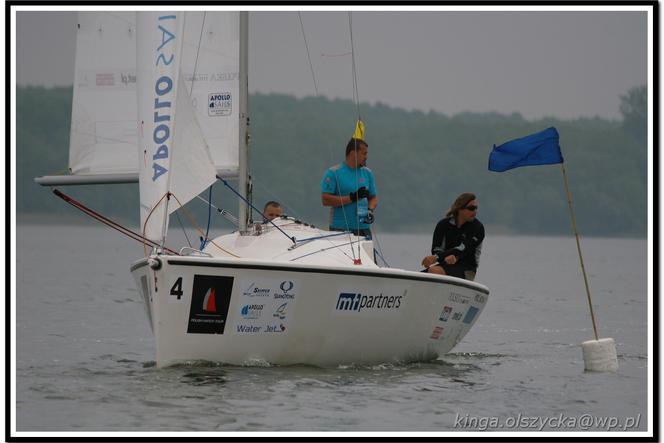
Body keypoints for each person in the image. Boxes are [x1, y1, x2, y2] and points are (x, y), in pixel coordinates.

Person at [321, 138, 378, 238]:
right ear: (353, 153)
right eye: (364, 154)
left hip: (363, 229)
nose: (366, 157)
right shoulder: (333, 173)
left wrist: (370, 210)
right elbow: (325, 200)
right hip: (340, 229)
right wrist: (352, 197)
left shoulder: (367, 173)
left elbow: (373, 198)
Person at [421, 193, 484, 281]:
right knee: (417, 276)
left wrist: (436, 258)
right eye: (471, 208)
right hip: (444, 266)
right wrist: (440, 257)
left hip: (467, 269)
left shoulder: (477, 228)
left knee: (433, 270)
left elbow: (463, 248)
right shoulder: (443, 225)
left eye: (476, 208)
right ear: (460, 209)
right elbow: (437, 249)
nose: (475, 211)